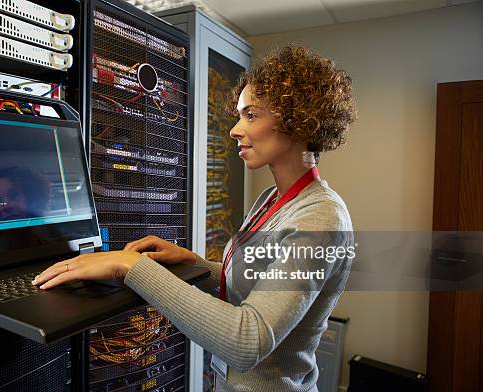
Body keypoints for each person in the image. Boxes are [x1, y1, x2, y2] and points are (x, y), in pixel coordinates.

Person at [32, 44, 357, 392]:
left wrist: (129, 267)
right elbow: (258, 285)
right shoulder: (272, 200)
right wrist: (197, 264)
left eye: (251, 115)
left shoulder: (322, 218)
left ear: (296, 121)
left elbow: (247, 339)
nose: (234, 129)